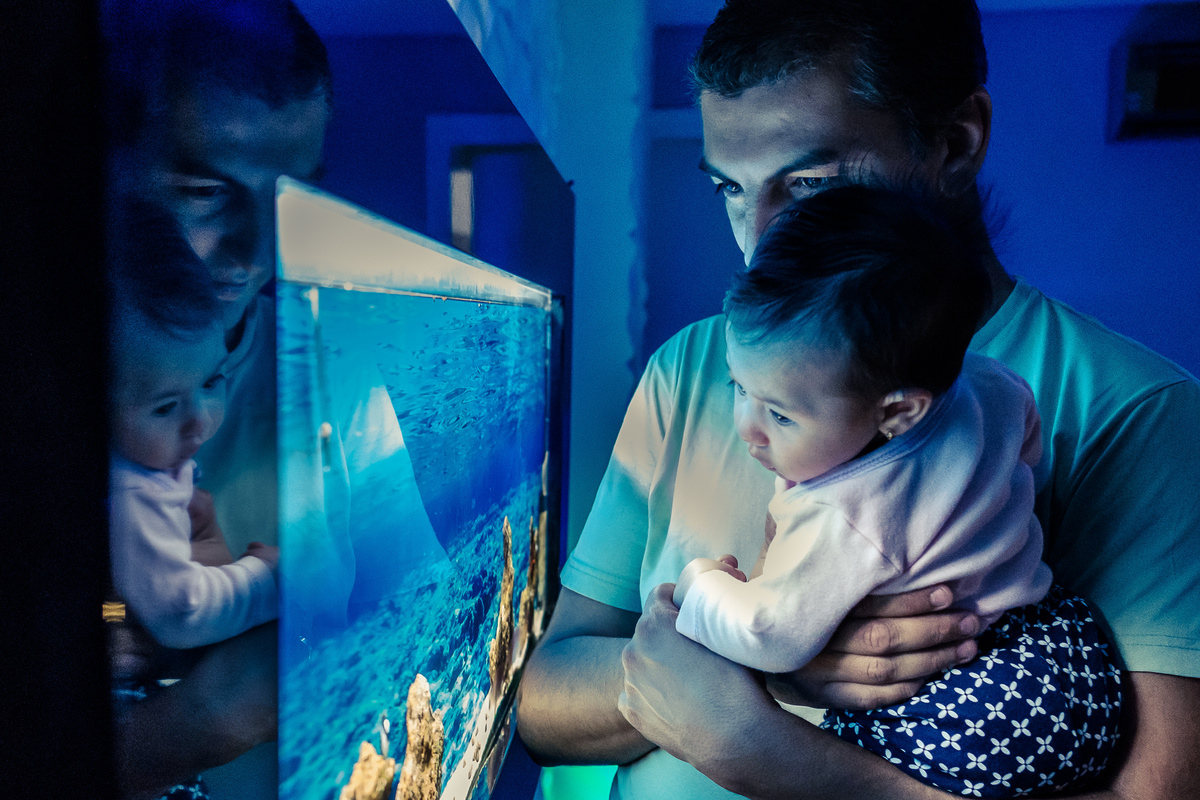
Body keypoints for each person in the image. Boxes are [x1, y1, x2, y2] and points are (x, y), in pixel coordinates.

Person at [517, 1, 1200, 798]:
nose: (761, 243)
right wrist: (771, 667)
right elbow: (542, 704)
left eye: (809, 184)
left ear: (955, 142)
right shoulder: (690, 366)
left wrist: (765, 749)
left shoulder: (1140, 413)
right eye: (731, 189)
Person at [672, 184, 1119, 796]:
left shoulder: (841, 513)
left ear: (900, 412)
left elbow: (770, 633)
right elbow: (1029, 449)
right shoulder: (992, 385)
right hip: (1070, 660)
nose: (746, 427)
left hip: (967, 710)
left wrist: (700, 588)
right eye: (738, 387)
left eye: (779, 414)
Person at [108, 198, 279, 652]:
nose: (199, 420)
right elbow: (182, 611)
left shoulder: (151, 461)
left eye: (212, 381)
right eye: (165, 407)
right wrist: (267, 579)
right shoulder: (133, 490)